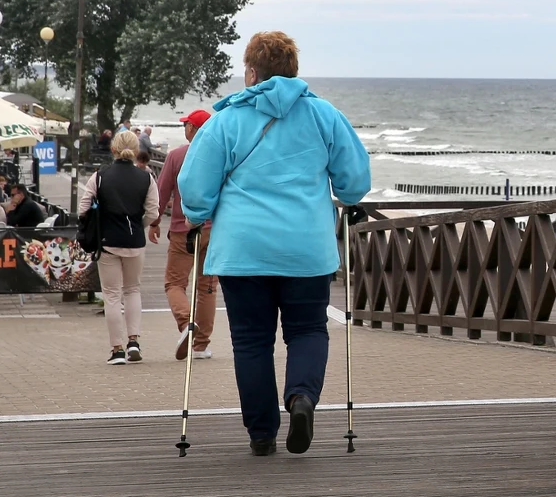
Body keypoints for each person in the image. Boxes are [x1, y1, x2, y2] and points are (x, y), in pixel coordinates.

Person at [178, 31, 371, 456]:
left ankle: (262, 433)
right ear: (293, 70)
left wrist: (196, 215)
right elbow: (355, 183)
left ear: (251, 72)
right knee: (307, 330)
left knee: (251, 340)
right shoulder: (324, 115)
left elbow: (195, 189)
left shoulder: (225, 121)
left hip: (243, 251)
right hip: (307, 250)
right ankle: (301, 397)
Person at [78, 131, 159, 365]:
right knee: (132, 290)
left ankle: (117, 350)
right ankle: (134, 341)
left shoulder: (100, 176)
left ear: (113, 150)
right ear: (136, 151)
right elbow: (153, 211)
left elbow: (84, 208)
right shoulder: (146, 178)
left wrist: (94, 223)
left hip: (108, 241)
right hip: (135, 242)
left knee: (112, 295)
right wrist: (139, 225)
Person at [149, 109, 218, 361]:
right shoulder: (220, 157)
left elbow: (162, 191)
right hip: (213, 229)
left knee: (175, 283)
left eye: (186, 124)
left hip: (183, 229)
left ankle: (186, 322)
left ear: (192, 128)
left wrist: (155, 221)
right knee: (207, 287)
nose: (184, 128)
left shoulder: (177, 156)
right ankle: (201, 346)